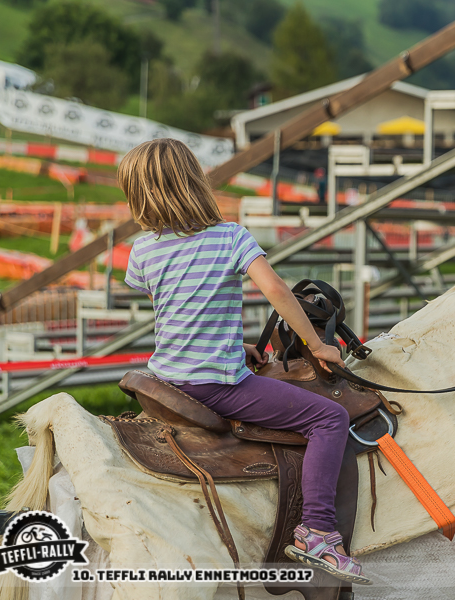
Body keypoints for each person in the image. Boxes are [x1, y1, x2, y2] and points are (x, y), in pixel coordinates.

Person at [119, 138, 370, 585]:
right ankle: (316, 532)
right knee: (329, 418)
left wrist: (238, 345)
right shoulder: (231, 236)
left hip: (169, 378)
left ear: (139, 195)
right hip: (217, 384)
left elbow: (183, 308)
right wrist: (317, 346)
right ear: (195, 181)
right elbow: (276, 290)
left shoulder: (142, 252)